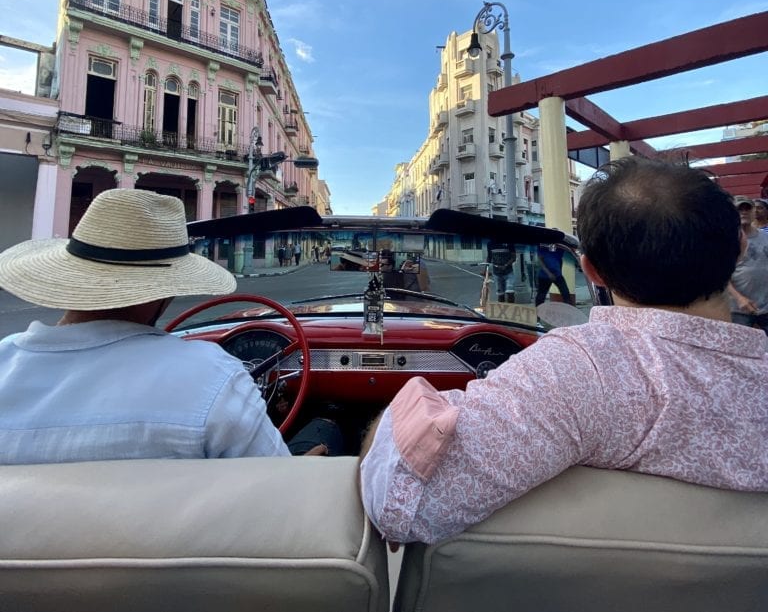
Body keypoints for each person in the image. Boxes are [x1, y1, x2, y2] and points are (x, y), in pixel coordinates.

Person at [360, 157, 768, 545]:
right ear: (739, 246)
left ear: (593, 271)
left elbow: (400, 501)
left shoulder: (580, 370)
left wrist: (390, 418)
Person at [0, 189, 340, 464]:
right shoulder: (212, 377)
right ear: (165, 293)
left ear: (68, 275)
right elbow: (273, 491)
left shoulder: (5, 360)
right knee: (325, 429)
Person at [728, 196, 768, 334]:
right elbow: (721, 276)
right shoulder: (727, 241)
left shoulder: (765, 237)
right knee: (743, 348)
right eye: (739, 209)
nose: (744, 212)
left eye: (747, 208)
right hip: (739, 309)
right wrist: (739, 298)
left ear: (753, 212)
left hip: (766, 305)